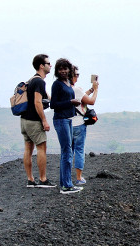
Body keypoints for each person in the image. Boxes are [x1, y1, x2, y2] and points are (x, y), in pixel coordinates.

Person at [20, 54, 55, 188]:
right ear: (41, 65)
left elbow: (47, 97)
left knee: (28, 149)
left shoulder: (31, 80)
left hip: (24, 120)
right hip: (34, 121)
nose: (50, 65)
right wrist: (44, 121)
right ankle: (43, 179)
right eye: (48, 63)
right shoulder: (40, 81)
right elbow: (37, 102)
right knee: (41, 148)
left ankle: (30, 179)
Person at [50, 58, 83, 194]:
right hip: (61, 120)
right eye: (60, 69)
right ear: (57, 71)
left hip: (68, 119)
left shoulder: (68, 82)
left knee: (67, 151)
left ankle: (65, 183)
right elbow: (54, 105)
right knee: (67, 152)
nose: (63, 71)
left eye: (65, 68)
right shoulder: (57, 84)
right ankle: (66, 186)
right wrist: (70, 102)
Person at [71, 66, 98, 185]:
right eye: (76, 75)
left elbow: (81, 98)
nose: (77, 77)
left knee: (69, 151)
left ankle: (66, 177)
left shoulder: (66, 89)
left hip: (68, 124)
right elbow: (91, 101)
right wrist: (96, 90)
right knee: (79, 150)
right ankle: (79, 177)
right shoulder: (76, 89)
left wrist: (90, 90)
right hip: (79, 124)